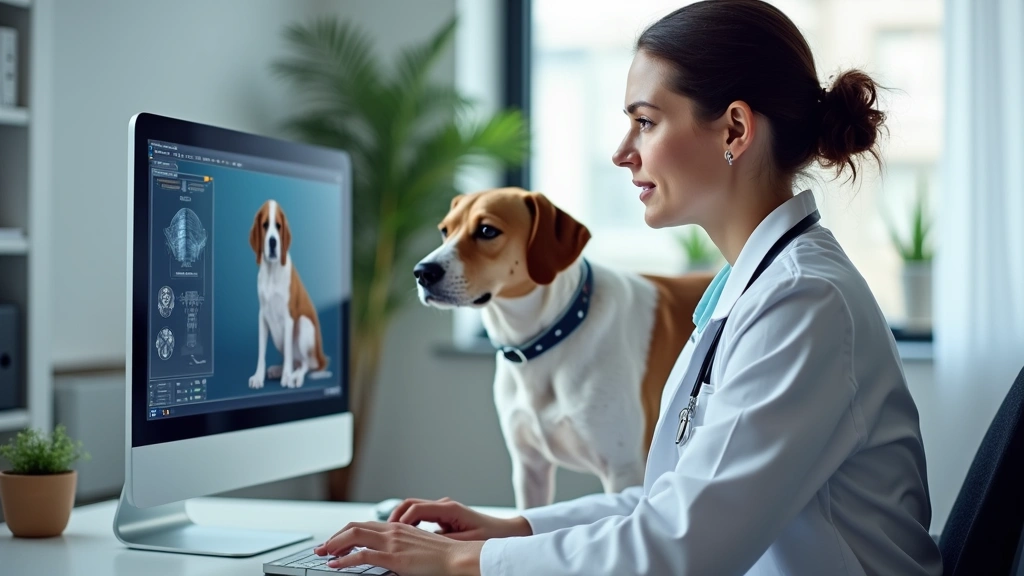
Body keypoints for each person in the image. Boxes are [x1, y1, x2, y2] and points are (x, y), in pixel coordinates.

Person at [313, 0, 944, 574]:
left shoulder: (804, 303)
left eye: (644, 122)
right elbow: (672, 502)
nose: (622, 152)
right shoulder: (754, 288)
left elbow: (682, 546)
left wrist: (465, 564)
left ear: (733, 131)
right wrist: (512, 527)